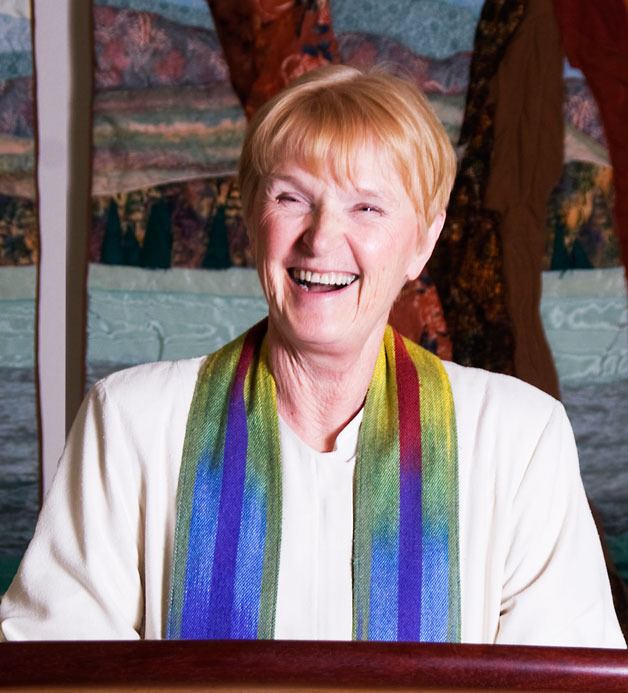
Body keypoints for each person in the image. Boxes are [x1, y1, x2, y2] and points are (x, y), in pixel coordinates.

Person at [0, 65, 624, 646]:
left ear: (423, 243)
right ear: (250, 217)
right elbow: (57, 668)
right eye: (291, 198)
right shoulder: (131, 421)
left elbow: (562, 679)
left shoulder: (518, 437)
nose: (322, 238)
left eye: (367, 207)